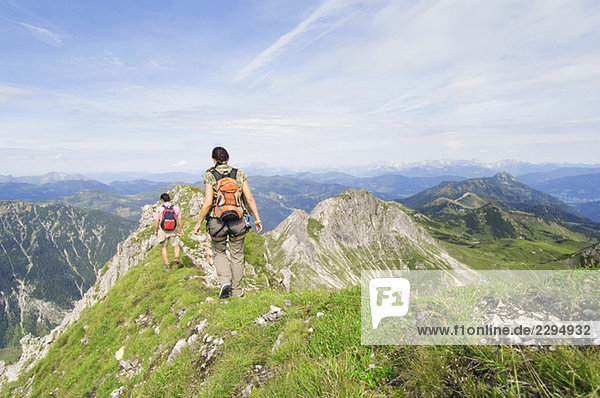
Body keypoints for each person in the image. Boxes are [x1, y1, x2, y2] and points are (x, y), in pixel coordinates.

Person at [193, 146, 262, 299]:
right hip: (237, 220)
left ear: (213, 159)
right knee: (237, 255)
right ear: (228, 158)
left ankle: (225, 282)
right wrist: (257, 218)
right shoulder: (239, 174)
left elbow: (208, 202)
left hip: (216, 221)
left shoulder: (210, 175)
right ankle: (237, 290)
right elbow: (249, 198)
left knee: (219, 252)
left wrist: (198, 223)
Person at [154, 193, 184, 270]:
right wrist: (181, 230)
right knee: (176, 245)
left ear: (162, 200)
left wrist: (156, 231)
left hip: (163, 230)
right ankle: (176, 256)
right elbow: (179, 220)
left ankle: (167, 264)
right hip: (173, 230)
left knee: (164, 247)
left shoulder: (159, 208)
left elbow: (157, 221)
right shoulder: (176, 208)